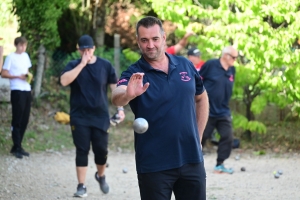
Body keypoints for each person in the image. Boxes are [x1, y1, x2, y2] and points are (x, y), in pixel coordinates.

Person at [111, 16, 209, 200]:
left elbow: (202, 98)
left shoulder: (185, 65)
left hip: (191, 159)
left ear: (163, 38)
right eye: (144, 40)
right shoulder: (134, 73)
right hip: (154, 164)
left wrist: (199, 136)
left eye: (155, 39)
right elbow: (117, 97)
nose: (150, 45)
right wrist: (128, 95)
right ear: (138, 42)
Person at [60, 34, 125, 197]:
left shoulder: (105, 65)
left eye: (89, 49)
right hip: (79, 116)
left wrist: (121, 109)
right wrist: (82, 64)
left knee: (101, 151)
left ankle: (100, 176)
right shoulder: (73, 65)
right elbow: (63, 81)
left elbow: (115, 89)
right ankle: (81, 186)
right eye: (83, 50)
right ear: (78, 50)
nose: (86, 53)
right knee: (82, 150)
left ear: (94, 49)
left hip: (100, 116)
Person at [199, 46, 238, 174]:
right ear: (225, 55)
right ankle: (193, 162)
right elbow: (198, 80)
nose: (235, 60)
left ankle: (220, 164)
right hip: (207, 108)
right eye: (234, 57)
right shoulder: (211, 65)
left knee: (228, 136)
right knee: (202, 135)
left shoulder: (232, 70)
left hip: (223, 110)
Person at [1, 37, 32, 159]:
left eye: (24, 45)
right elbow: (3, 73)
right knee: (17, 118)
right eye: (21, 45)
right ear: (16, 45)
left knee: (25, 118)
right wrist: (17, 77)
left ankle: (18, 145)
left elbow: (27, 70)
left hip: (26, 89)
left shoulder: (26, 56)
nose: (23, 48)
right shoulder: (10, 57)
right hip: (17, 89)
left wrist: (28, 76)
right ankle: (16, 146)